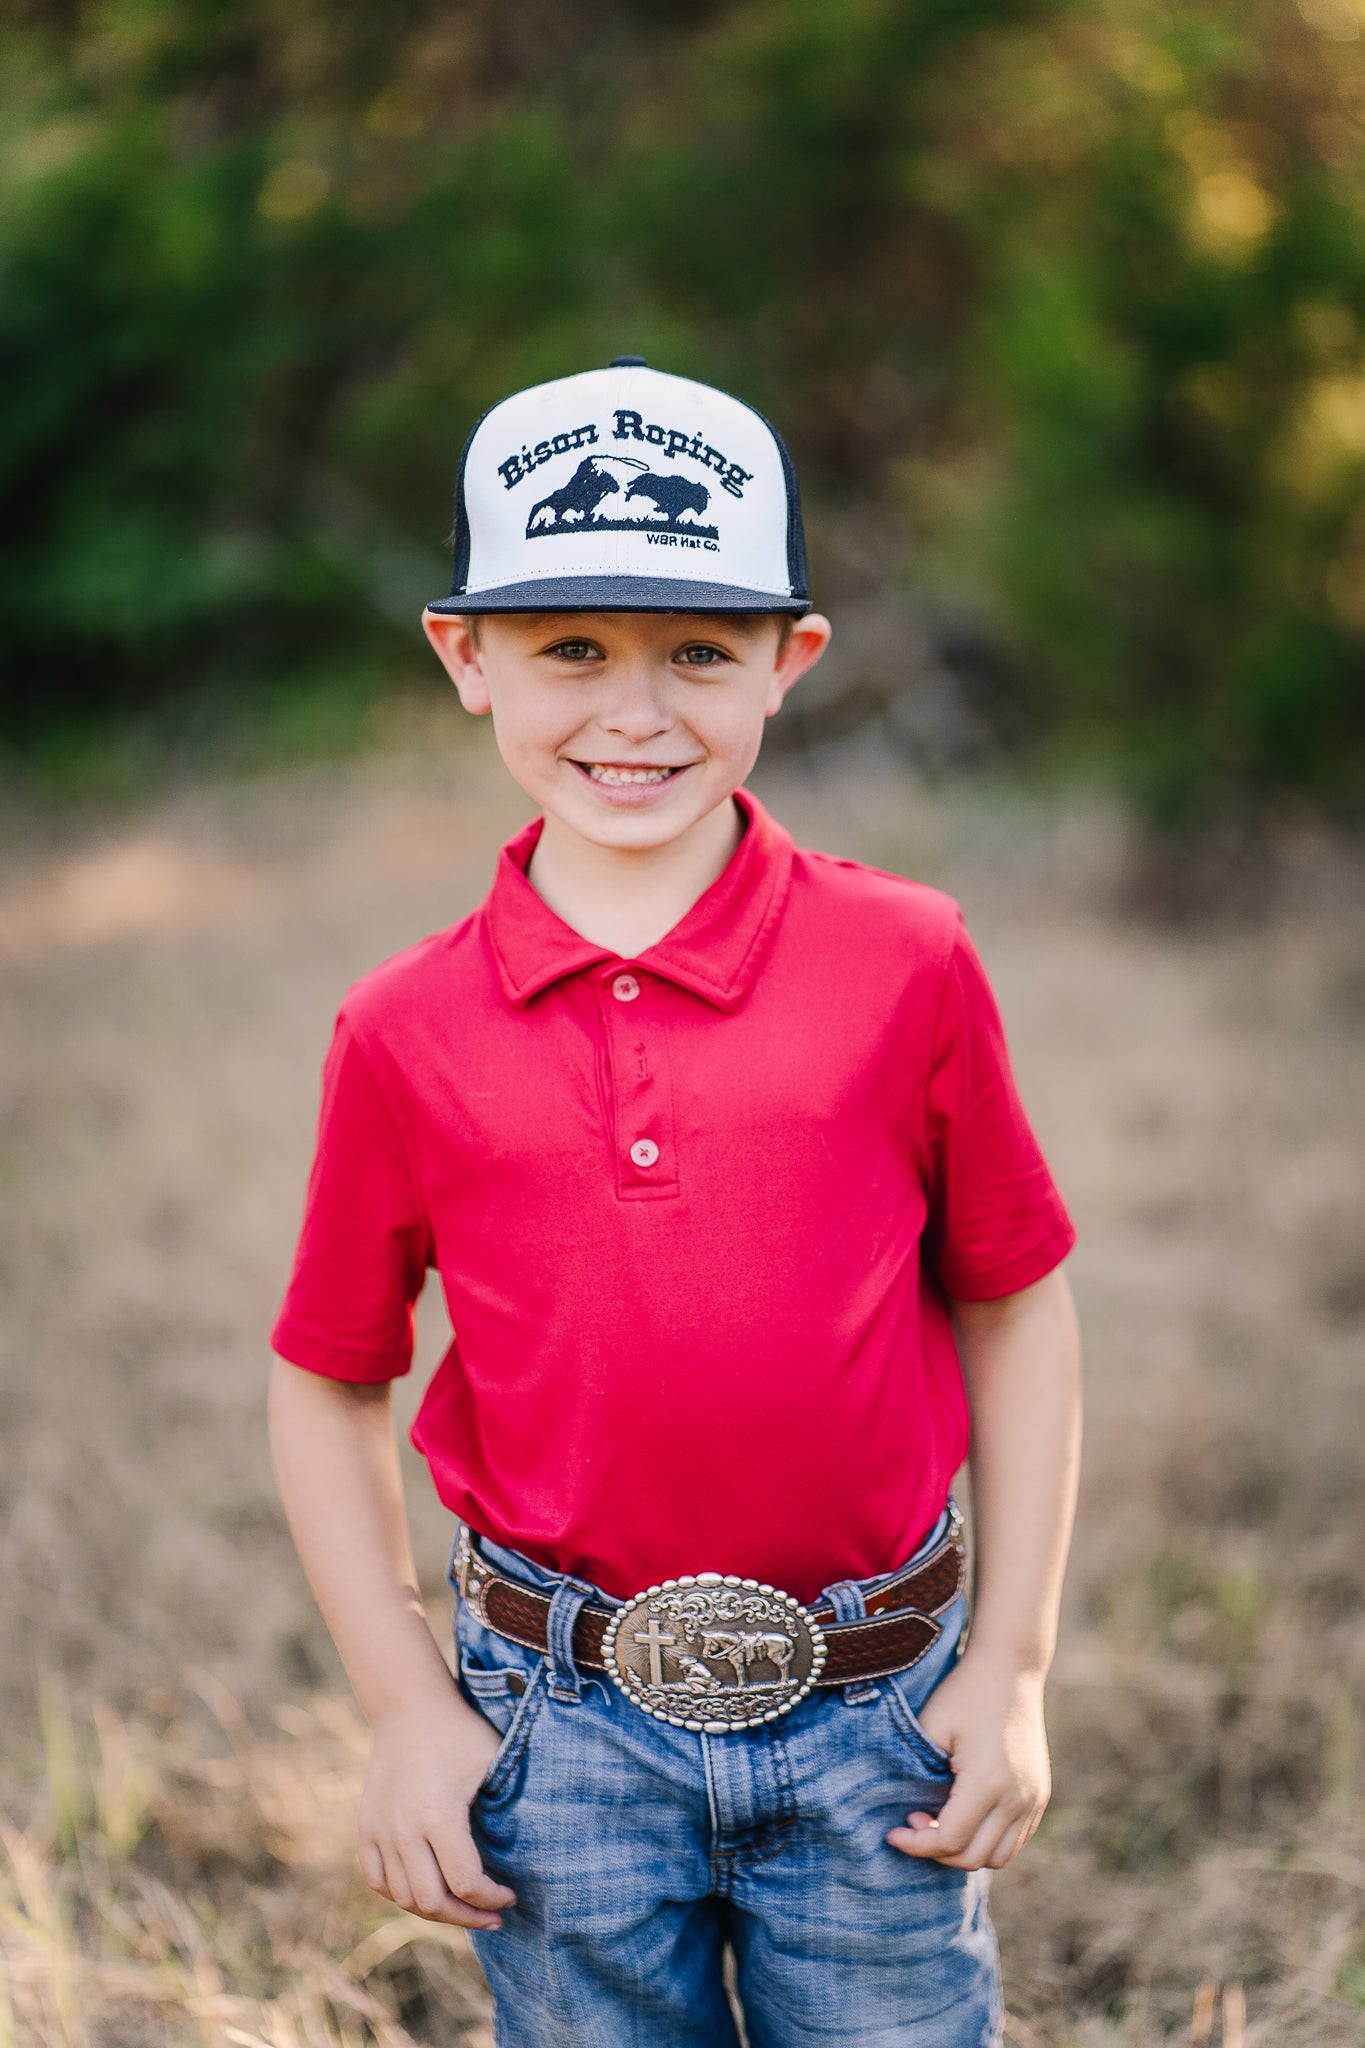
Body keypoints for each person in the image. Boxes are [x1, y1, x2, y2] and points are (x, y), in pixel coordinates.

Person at [268, 357, 1082, 2048]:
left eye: (695, 654)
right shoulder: (401, 1029)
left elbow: (1011, 1298)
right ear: (464, 659)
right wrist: (407, 1705)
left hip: (874, 1707)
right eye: (572, 649)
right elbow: (329, 1372)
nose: (634, 715)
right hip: (555, 1725)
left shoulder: (905, 961)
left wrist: (1004, 1668)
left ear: (789, 664)